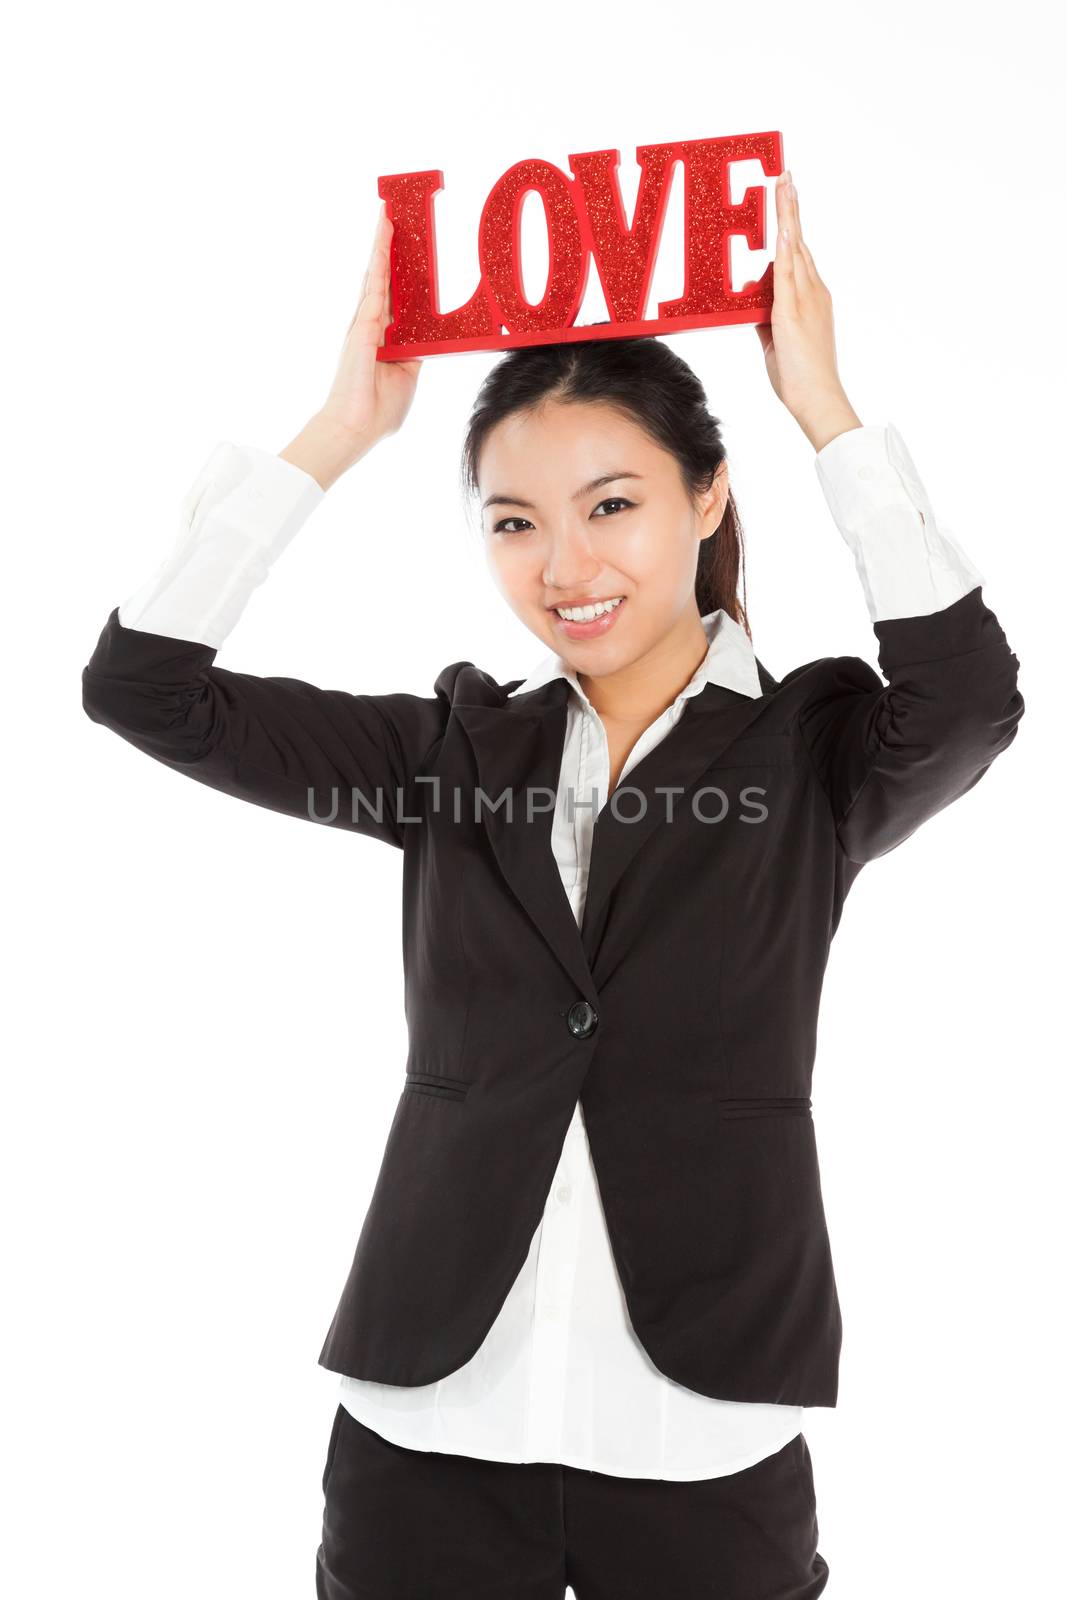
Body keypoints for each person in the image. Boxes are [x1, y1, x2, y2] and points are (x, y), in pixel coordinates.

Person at [81, 171, 1024, 1599]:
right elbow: (143, 691)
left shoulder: (816, 750)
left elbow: (969, 702)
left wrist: (824, 410)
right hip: (429, 1423)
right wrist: (342, 433)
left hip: (705, 1421)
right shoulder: (448, 749)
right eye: (514, 520)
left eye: (611, 505)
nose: (563, 565)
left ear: (709, 497)